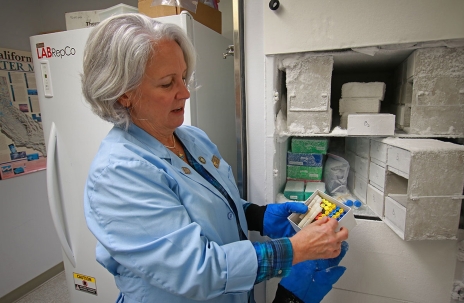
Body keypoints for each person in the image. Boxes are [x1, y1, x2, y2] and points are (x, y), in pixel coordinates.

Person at [82, 13, 349, 303]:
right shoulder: (119, 172)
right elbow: (197, 271)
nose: (185, 92)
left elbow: (209, 207)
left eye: (183, 77)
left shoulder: (191, 138)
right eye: (167, 83)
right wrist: (295, 250)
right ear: (124, 94)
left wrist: (258, 215)